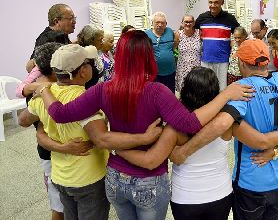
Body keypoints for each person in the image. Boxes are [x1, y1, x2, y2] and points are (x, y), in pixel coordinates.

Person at [34, 30, 253, 220]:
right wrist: (225, 96)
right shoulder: (157, 92)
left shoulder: (102, 90)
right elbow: (190, 123)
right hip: (148, 183)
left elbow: (59, 114)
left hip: (115, 178)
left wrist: (44, 89)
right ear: (149, 56)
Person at [170, 39, 278, 220]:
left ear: (242, 63)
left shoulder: (244, 90)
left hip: (252, 181)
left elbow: (221, 124)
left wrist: (185, 151)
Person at [114, 66, 278, 220]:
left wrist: (118, 150)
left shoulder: (174, 128)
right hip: (220, 194)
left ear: (185, 90)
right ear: (215, 91)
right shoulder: (227, 122)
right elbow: (260, 140)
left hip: (186, 198)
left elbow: (150, 160)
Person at [19, 44, 111, 220]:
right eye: (89, 63)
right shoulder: (84, 100)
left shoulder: (45, 95)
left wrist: (44, 131)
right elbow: (100, 139)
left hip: (61, 176)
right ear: (83, 71)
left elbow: (23, 120)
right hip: (88, 178)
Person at [17, 42, 68, 220]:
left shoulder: (41, 89)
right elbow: (25, 120)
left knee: (60, 204)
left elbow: (23, 120)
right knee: (60, 205)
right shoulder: (53, 91)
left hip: (53, 153)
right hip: (57, 155)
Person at [195, 0, 240, 90]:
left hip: (222, 60)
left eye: (216, 2)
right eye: (210, 2)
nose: (213, 5)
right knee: (206, 87)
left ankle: (222, 105)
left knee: (221, 88)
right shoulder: (202, 18)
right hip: (205, 59)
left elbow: (240, 34)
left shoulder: (229, 18)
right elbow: (191, 31)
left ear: (222, 2)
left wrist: (234, 44)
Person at [27, 3, 76, 73]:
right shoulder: (50, 38)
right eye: (70, 18)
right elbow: (32, 67)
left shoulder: (61, 35)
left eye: (74, 18)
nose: (74, 22)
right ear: (56, 21)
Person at [146, 11, 177, 92]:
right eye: (157, 22)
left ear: (166, 24)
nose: (160, 25)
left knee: (170, 93)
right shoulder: (146, 34)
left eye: (162, 23)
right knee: (157, 94)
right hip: (155, 73)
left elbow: (174, 45)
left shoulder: (170, 31)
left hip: (170, 71)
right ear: (152, 23)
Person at [174, 15, 201, 92]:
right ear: (182, 23)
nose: (188, 24)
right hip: (182, 68)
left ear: (194, 23)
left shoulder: (199, 33)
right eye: (186, 22)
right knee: (184, 90)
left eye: (190, 22)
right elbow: (173, 48)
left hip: (196, 68)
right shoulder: (178, 34)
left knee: (196, 89)